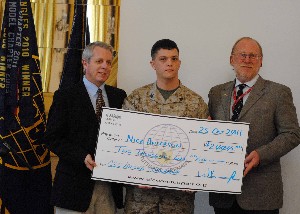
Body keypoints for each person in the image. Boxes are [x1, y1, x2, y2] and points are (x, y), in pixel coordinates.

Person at [208, 37, 300, 214]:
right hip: (223, 194)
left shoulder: (279, 92)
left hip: (262, 195)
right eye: (242, 55)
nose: (247, 60)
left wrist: (261, 155)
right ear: (231, 59)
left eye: (253, 56)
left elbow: (292, 134)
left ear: (261, 61)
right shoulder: (216, 92)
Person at [122, 39, 209, 214]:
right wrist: (132, 176)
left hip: (178, 202)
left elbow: (203, 148)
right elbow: (124, 143)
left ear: (179, 63)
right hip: (141, 201)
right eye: (163, 59)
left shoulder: (196, 102)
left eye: (174, 58)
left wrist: (196, 178)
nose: (169, 63)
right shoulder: (136, 99)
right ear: (152, 64)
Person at [45, 41, 127, 213]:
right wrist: (81, 156)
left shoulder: (119, 97)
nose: (105, 66)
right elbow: (52, 138)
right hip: (73, 189)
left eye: (109, 62)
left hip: (108, 189)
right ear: (85, 63)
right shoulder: (65, 96)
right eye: (99, 61)